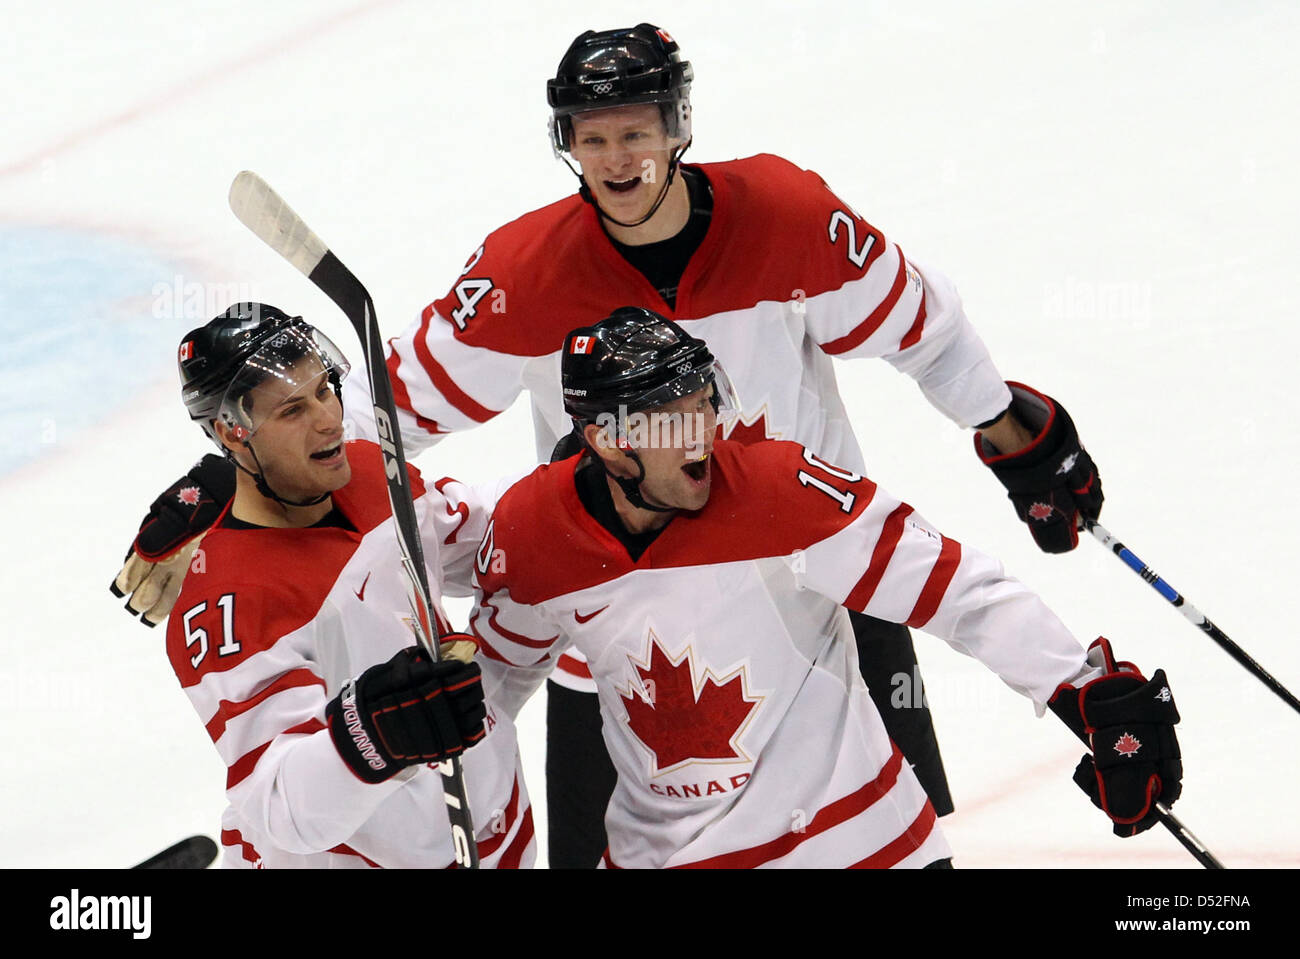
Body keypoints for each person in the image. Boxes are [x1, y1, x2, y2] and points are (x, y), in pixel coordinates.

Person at [113, 24, 1104, 867]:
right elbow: (383, 407)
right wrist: (224, 480)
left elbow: (920, 325)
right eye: (593, 139)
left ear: (675, 130)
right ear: (568, 147)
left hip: (812, 577)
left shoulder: (786, 215)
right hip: (603, 625)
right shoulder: (522, 275)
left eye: (635, 132)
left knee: (887, 832)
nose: (618, 158)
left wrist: (1009, 429)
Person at [469, 308, 1180, 868]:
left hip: (861, 847)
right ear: (606, 440)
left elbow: (957, 588)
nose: (704, 433)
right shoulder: (535, 535)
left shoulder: (779, 492)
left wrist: (1078, 686)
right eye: (673, 418)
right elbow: (492, 685)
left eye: (703, 403)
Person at [164, 303, 534, 868]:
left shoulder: (370, 471)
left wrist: (577, 488)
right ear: (231, 434)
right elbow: (280, 805)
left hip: (494, 828)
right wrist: (370, 740)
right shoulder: (226, 604)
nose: (329, 418)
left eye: (325, 389)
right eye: (292, 409)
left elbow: (482, 537)